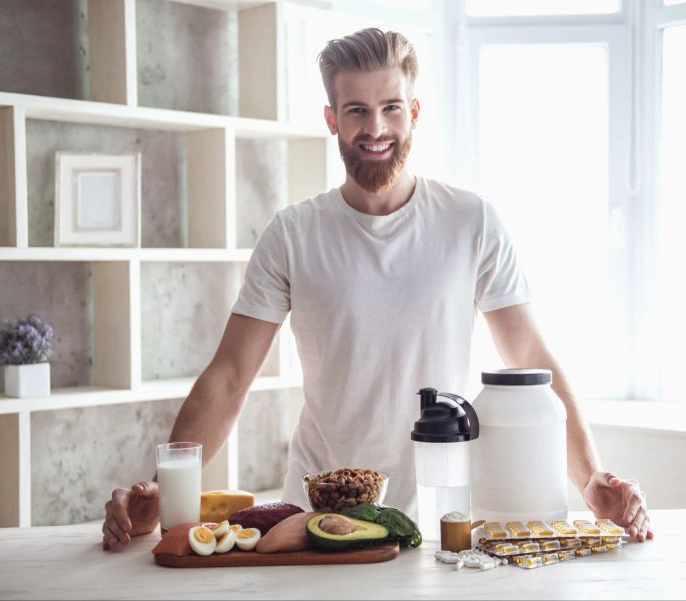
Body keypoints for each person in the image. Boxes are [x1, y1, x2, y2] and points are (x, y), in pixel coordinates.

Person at [102, 28, 653, 551]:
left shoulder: (471, 221)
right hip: (314, 519)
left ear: (413, 113)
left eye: (391, 107)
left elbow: (532, 360)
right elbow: (228, 378)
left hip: (444, 517)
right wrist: (162, 491)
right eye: (356, 110)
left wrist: (590, 481)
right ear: (331, 119)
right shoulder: (293, 233)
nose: (376, 128)